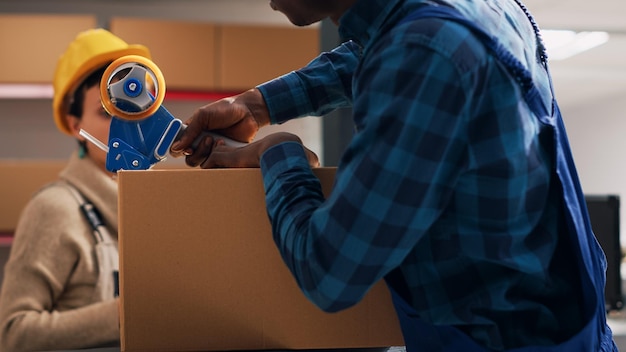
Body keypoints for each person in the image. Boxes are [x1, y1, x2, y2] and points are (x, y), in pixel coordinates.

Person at [171, 0, 617, 351]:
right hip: (566, 321)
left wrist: (277, 152)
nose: (267, 2)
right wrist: (256, 105)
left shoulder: (425, 53)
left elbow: (330, 273)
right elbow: (378, 49)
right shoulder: (469, 12)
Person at [0, 28, 151, 351]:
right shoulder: (54, 209)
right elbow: (13, 333)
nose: (125, 121)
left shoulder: (151, 207)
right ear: (75, 124)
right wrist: (124, 315)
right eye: (106, 111)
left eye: (131, 104)